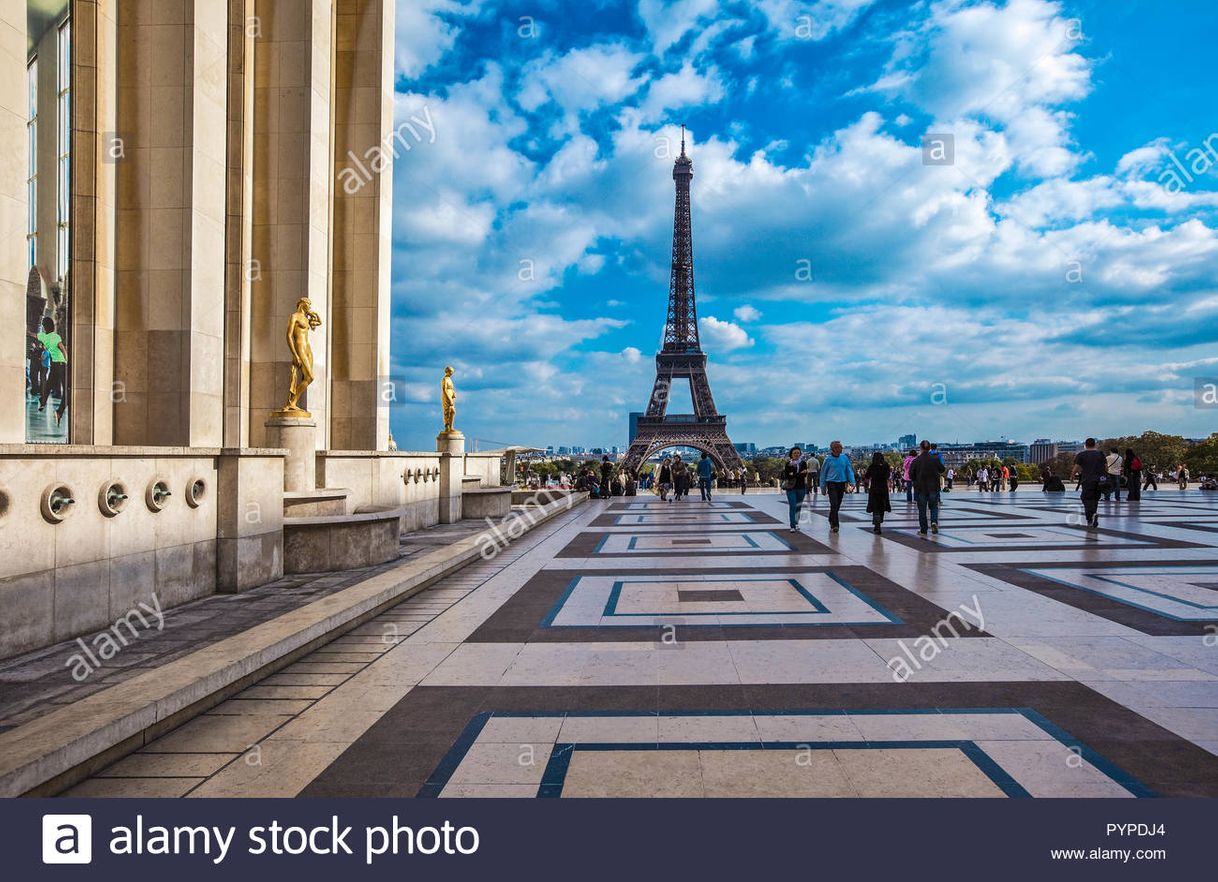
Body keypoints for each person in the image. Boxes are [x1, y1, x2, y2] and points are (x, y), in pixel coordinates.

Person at [33, 317, 69, 423]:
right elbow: (63, 349)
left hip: (54, 364)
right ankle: (59, 412)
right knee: (67, 391)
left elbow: (32, 334)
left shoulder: (43, 337)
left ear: (44, 327)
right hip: (61, 365)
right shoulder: (55, 336)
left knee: (49, 385)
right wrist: (67, 361)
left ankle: (43, 401)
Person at [909, 440, 946, 537]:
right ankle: (934, 522)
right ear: (929, 448)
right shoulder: (935, 459)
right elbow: (942, 469)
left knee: (922, 509)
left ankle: (923, 530)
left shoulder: (916, 460)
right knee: (934, 507)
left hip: (921, 488)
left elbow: (911, 474)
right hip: (933, 487)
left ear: (920, 448)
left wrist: (916, 479)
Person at [820, 441, 856, 534]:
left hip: (841, 483)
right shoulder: (828, 459)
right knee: (834, 503)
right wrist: (823, 487)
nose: (840, 449)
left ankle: (831, 518)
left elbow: (849, 470)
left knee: (838, 504)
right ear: (833, 449)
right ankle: (835, 524)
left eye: (841, 447)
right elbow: (823, 473)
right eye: (838, 447)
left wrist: (852, 481)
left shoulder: (844, 458)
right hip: (831, 483)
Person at [1071, 438, 1107, 529]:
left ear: (1085, 445)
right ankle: (1094, 513)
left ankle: (1090, 518)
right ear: (1095, 444)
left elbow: (1076, 467)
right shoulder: (1101, 454)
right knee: (1095, 498)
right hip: (1099, 481)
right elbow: (1106, 467)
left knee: (1086, 498)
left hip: (1087, 480)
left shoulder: (1081, 455)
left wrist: (1072, 476)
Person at [780, 447, 809, 532]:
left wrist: (795, 474)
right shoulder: (788, 464)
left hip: (801, 487)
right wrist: (799, 473)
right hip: (791, 488)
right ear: (791, 454)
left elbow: (804, 475)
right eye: (794, 453)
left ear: (800, 454)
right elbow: (788, 476)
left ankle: (796, 523)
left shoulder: (803, 463)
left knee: (798, 506)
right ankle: (792, 525)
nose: (796, 454)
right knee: (792, 506)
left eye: (798, 453)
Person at [865, 452, 891, 533]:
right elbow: (888, 476)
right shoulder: (886, 465)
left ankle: (877, 524)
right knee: (882, 506)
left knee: (875, 506)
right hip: (883, 488)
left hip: (874, 488)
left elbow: (867, 476)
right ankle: (880, 519)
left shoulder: (872, 466)